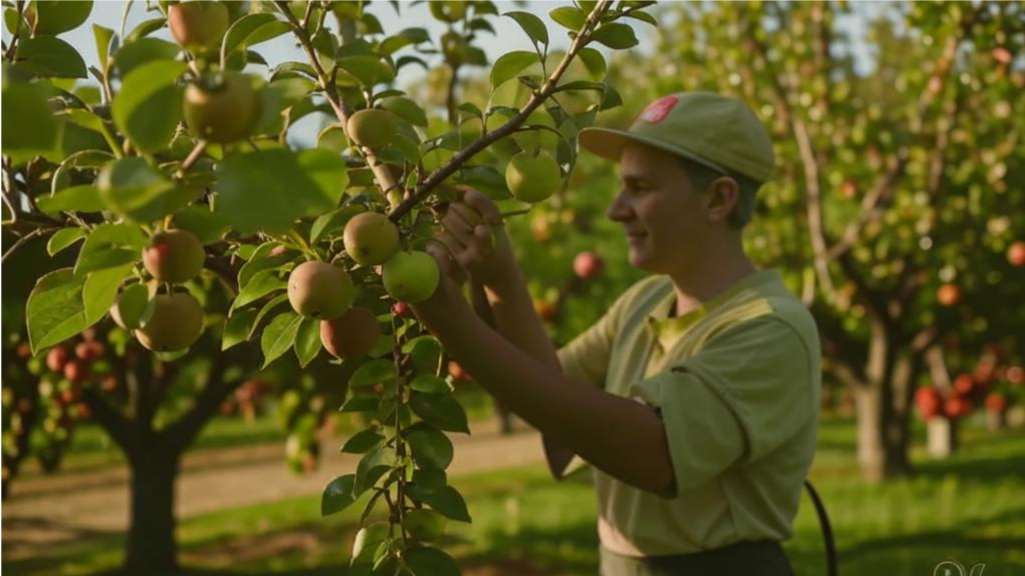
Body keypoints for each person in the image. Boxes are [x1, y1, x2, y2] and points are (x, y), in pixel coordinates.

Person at [411, 92, 821, 575]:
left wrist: (449, 319)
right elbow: (558, 410)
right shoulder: (644, 301)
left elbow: (652, 453)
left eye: (640, 187)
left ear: (718, 198)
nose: (615, 209)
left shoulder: (769, 328)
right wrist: (500, 281)